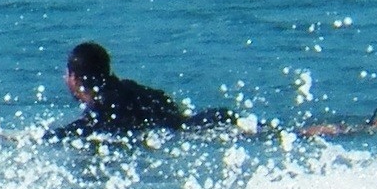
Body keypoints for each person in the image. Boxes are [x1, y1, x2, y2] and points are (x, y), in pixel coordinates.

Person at [45, 42, 240, 139]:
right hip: (203, 122)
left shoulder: (101, 107)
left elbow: (90, 128)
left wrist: (52, 137)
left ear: (74, 78)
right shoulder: (136, 91)